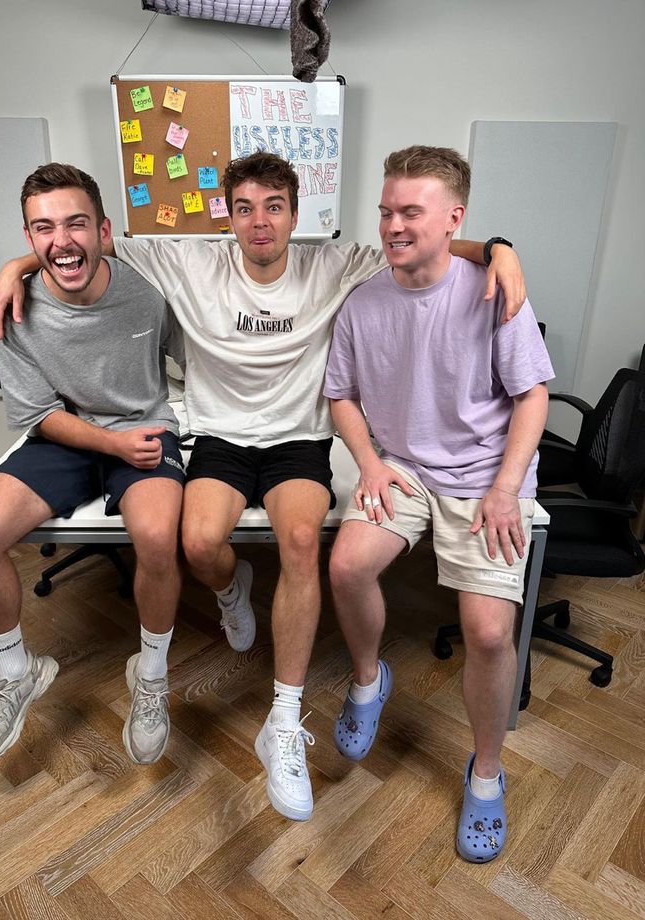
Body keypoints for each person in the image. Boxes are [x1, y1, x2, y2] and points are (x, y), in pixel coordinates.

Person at [0, 151, 526, 822]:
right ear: (229, 217)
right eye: (245, 208)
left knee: (303, 541)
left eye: (274, 207)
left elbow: (423, 243)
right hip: (219, 436)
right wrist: (13, 267)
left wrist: (498, 250)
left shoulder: (332, 263)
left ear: (296, 216)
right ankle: (230, 585)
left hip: (298, 438)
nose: (260, 222)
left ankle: (282, 719)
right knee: (200, 544)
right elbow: (81, 244)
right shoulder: (186, 262)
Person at [324, 145, 553, 860]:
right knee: (347, 566)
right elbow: (341, 396)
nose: (392, 225)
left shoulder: (492, 287)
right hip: (402, 469)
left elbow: (533, 396)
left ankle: (486, 774)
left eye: (410, 212)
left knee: (487, 633)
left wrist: (507, 489)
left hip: (486, 473)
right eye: (387, 210)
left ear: (454, 219)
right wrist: (367, 462)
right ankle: (370, 681)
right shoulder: (363, 302)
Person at [0, 163, 186, 767]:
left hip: (144, 428)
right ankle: (15, 671)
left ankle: (151, 676)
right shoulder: (14, 306)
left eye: (77, 223)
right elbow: (39, 414)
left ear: (104, 230)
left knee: (158, 535)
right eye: (44, 229)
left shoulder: (150, 285)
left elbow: (200, 353)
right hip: (63, 437)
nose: (62, 241)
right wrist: (111, 446)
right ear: (29, 239)